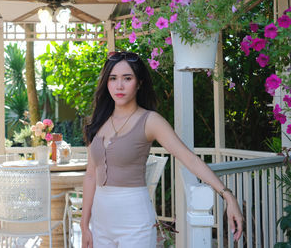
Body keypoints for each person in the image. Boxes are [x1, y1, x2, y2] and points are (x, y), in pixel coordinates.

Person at [80, 51, 243, 248]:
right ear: (106, 83)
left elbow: (189, 159)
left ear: (139, 83)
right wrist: (84, 225)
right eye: (113, 78)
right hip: (101, 223)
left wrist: (227, 195)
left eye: (127, 78)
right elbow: (90, 175)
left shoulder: (150, 121)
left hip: (135, 222)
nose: (119, 86)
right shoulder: (97, 122)